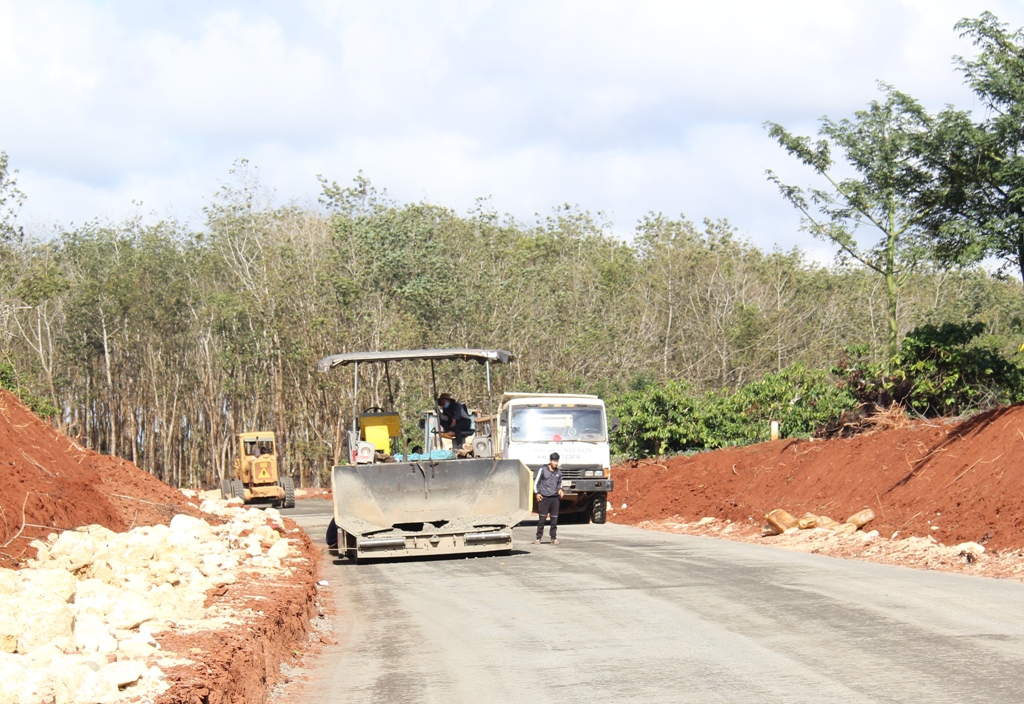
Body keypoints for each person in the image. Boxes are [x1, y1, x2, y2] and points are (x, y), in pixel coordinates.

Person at [534, 452, 563, 545]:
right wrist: (537, 493)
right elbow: (536, 482)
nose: (556, 463)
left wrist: (560, 490)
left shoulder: (558, 472)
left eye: (557, 461)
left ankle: (553, 538)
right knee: (542, 519)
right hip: (544, 498)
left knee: (554, 520)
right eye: (554, 461)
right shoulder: (543, 469)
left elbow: (560, 484)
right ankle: (538, 538)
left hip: (555, 499)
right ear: (550, 461)